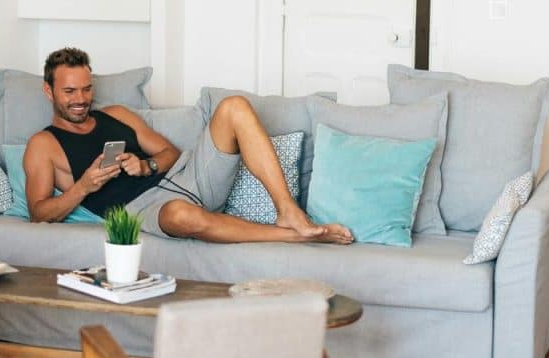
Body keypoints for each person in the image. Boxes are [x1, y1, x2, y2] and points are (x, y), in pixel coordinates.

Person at [24, 47, 353, 245]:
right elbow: (39, 213)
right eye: (69, 92)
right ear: (48, 91)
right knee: (180, 214)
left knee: (234, 106)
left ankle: (289, 211)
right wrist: (83, 187)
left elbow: (170, 154)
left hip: (188, 177)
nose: (80, 99)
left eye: (86, 89)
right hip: (146, 210)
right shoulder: (43, 145)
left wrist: (146, 165)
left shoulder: (117, 115)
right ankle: (297, 236)